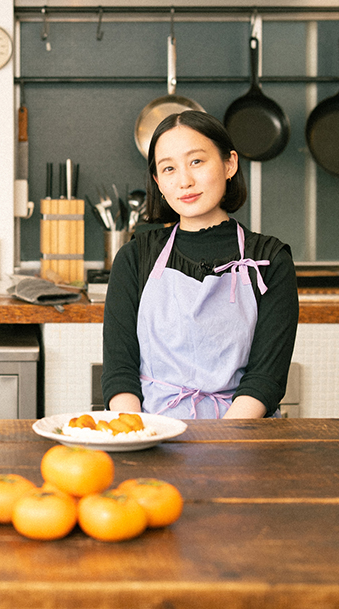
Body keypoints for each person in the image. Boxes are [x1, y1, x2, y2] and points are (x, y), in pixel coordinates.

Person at [102, 110, 298, 419]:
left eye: (196, 161)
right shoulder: (135, 257)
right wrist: (136, 432)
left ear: (229, 164)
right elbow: (119, 371)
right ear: (158, 182)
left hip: (241, 433)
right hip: (151, 429)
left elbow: (266, 380)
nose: (185, 181)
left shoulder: (270, 259)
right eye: (169, 168)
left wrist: (222, 439)